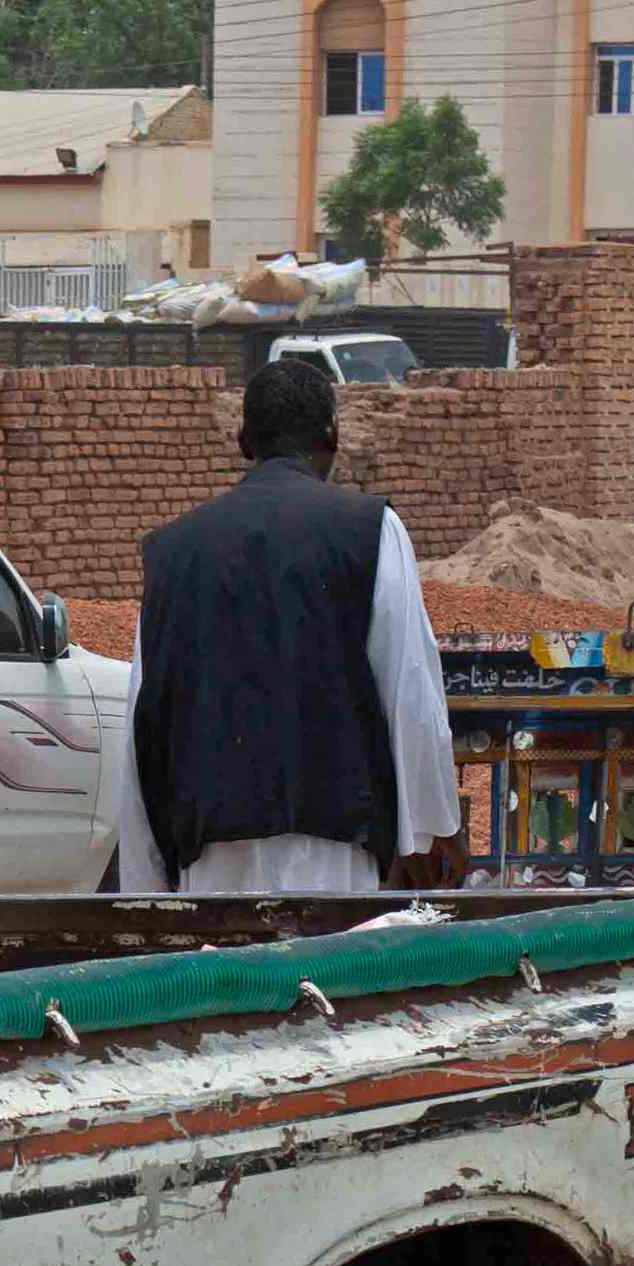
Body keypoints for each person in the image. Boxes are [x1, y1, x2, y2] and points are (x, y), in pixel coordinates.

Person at [109, 353, 467, 892]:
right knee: (323, 977)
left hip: (209, 859)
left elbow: (147, 714)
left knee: (228, 979)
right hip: (336, 855)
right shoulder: (371, 531)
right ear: (334, 437)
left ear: (243, 443)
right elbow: (411, 690)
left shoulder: (174, 551)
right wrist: (436, 827)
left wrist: (146, 875)